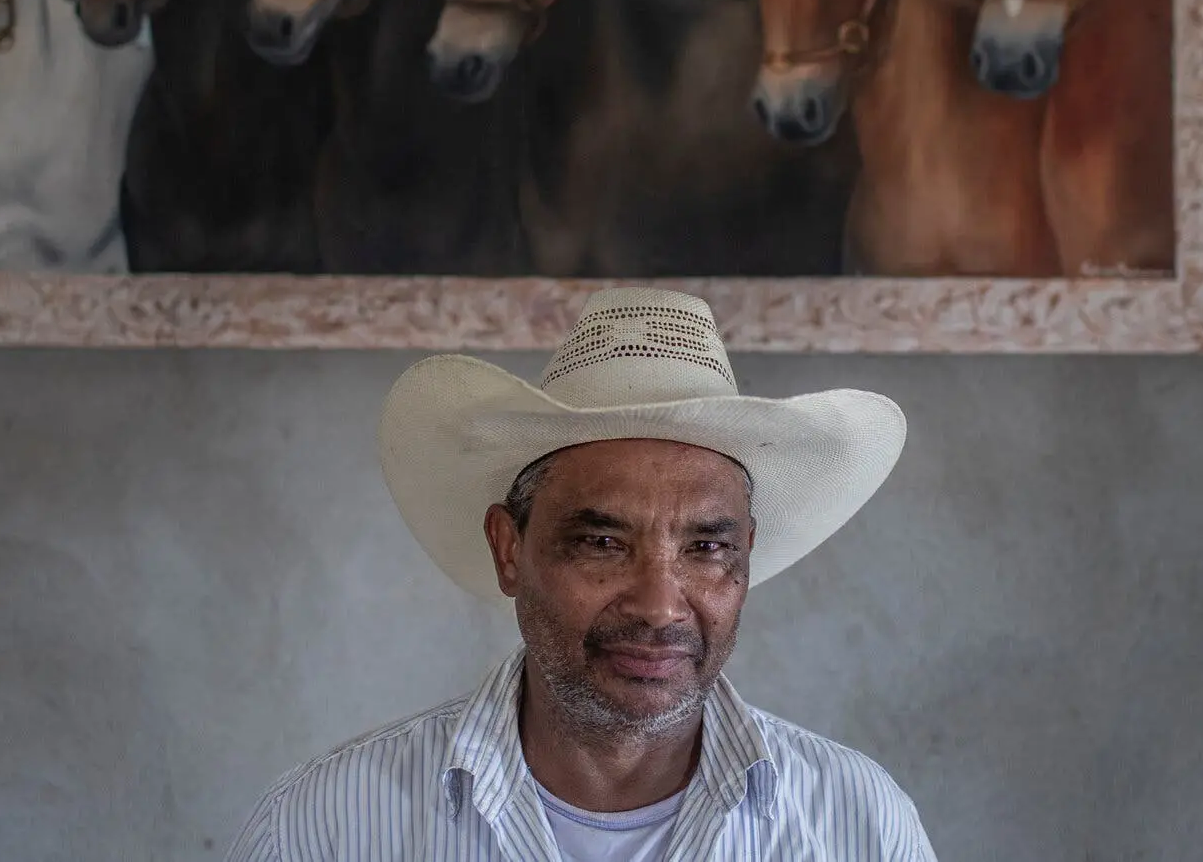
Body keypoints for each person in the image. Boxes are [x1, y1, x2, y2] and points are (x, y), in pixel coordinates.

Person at [224, 287, 937, 860]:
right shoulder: (324, 831)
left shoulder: (857, 826)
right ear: (510, 548)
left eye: (707, 548)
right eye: (602, 540)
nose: (660, 605)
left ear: (745, 556)